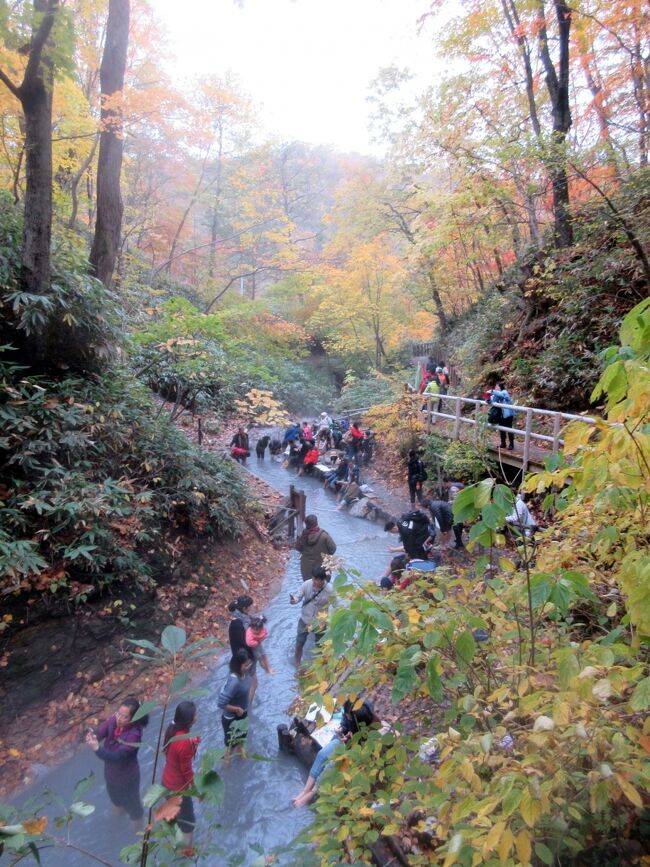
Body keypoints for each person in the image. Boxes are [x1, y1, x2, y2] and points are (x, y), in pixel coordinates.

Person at [291, 698, 376, 808]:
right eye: (347, 715)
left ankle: (310, 795)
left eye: (349, 716)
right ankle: (305, 791)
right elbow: (344, 724)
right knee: (322, 754)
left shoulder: (366, 720)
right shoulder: (349, 711)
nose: (347, 717)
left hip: (354, 749)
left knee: (331, 765)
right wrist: (342, 732)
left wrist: (351, 741)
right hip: (344, 741)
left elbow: (364, 745)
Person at [86, 697, 148, 828]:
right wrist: (94, 735)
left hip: (127, 779)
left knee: (135, 811)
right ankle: (116, 827)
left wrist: (97, 748)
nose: (119, 718)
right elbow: (102, 730)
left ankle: (135, 838)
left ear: (133, 719)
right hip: (111, 776)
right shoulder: (115, 719)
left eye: (124, 717)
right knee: (116, 802)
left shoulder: (134, 735)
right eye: (118, 713)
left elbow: (117, 757)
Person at [161, 701, 200, 853]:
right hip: (178, 789)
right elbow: (186, 771)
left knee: (175, 818)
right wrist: (197, 791)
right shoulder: (184, 742)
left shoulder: (172, 731)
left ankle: (175, 846)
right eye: (195, 714)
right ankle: (187, 853)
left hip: (166, 782)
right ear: (190, 720)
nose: (197, 716)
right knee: (188, 824)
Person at [290, 566, 332, 666]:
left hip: (320, 623)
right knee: (299, 643)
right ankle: (297, 664)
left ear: (322, 580)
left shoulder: (330, 590)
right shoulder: (307, 584)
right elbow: (298, 596)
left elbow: (337, 605)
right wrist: (294, 600)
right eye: (313, 578)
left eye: (316, 580)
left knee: (320, 646)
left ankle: (319, 666)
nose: (313, 581)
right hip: (305, 619)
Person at [218, 649, 253, 757]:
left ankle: (242, 759)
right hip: (231, 719)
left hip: (242, 713)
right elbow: (220, 703)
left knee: (242, 739)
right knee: (230, 747)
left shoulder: (245, 674)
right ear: (238, 665)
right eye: (246, 665)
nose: (249, 667)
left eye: (250, 663)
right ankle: (227, 769)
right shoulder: (234, 681)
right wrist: (237, 710)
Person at [228, 595, 261, 702]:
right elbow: (247, 642)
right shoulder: (237, 624)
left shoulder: (240, 618)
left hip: (239, 659)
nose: (251, 609)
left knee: (241, 684)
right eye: (249, 607)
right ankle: (246, 708)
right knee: (253, 684)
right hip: (244, 659)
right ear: (244, 609)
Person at [295, 514, 337, 581]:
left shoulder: (303, 535)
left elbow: (297, 548)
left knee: (309, 587)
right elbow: (333, 549)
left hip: (306, 569)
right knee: (323, 588)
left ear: (306, 524)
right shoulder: (324, 536)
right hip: (322, 570)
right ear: (316, 523)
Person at [490, 383, 516, 450]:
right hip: (500, 414)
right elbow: (493, 400)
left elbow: (502, 395)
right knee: (501, 429)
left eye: (497, 386)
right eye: (495, 387)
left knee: (509, 428)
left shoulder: (504, 392)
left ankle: (511, 444)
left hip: (508, 414)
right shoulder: (496, 394)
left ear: (500, 387)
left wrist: (493, 391)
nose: (495, 388)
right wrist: (488, 399)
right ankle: (503, 443)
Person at [447, 481, 465, 549]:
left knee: (455, 525)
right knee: (460, 524)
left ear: (448, 482)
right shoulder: (460, 486)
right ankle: (458, 539)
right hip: (461, 507)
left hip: (456, 508)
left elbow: (454, 499)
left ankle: (459, 543)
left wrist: (450, 502)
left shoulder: (452, 488)